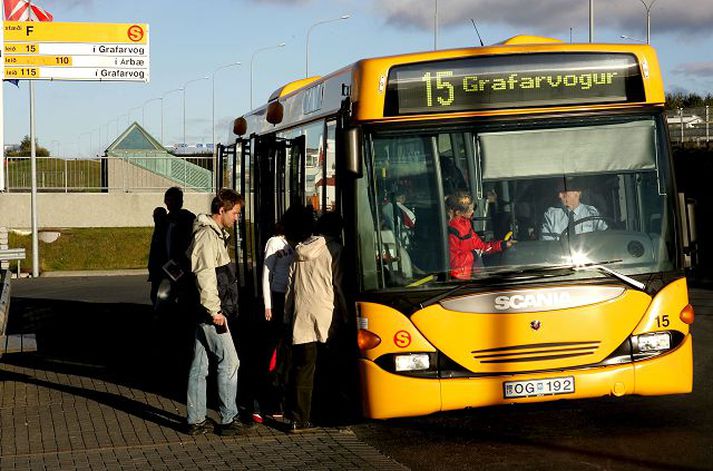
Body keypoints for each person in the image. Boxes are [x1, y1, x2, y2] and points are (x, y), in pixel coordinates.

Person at [184, 189, 244, 436]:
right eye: (236, 213)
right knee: (230, 361)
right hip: (211, 312)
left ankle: (196, 420)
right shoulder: (209, 237)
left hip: (201, 310)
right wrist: (215, 311)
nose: (237, 218)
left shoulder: (211, 234)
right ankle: (229, 418)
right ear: (222, 211)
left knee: (200, 365)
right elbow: (206, 275)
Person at [284, 206, 337, 432]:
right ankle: (324, 411)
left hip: (302, 316)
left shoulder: (298, 251)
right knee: (326, 367)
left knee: (303, 367)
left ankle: (298, 418)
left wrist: (288, 314)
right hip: (327, 315)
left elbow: (289, 287)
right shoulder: (333, 250)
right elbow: (339, 285)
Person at [260, 217, 295, 419]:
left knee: (286, 345)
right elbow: (266, 273)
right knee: (276, 345)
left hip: (289, 295)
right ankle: (272, 396)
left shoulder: (293, 243)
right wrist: (267, 304)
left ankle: (281, 393)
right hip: (277, 295)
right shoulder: (274, 242)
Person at [447, 191, 513, 280]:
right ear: (458, 212)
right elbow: (453, 262)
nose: (473, 211)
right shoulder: (451, 232)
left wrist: (500, 245)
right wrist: (473, 255)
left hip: (468, 275)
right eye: (470, 210)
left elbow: (481, 247)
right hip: (457, 281)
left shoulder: (466, 224)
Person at [147, 186, 195, 308]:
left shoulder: (187, 219)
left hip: (179, 265)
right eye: (168, 200)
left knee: (179, 298)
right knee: (161, 300)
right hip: (165, 266)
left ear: (180, 202)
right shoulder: (164, 221)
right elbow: (157, 246)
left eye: (173, 200)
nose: (170, 204)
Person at [540, 179, 608, 240]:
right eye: (558, 192)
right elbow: (547, 244)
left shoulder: (591, 212)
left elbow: (604, 236)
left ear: (577, 193)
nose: (559, 196)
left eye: (564, 191)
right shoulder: (551, 215)